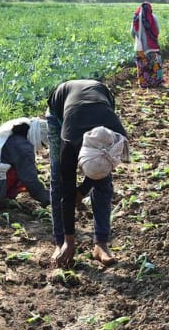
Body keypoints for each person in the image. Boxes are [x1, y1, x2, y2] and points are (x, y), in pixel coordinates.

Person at [46, 79, 129, 267]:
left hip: (100, 98)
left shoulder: (115, 137)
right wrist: (70, 240)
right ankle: (60, 242)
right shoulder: (70, 141)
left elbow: (102, 168)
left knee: (104, 182)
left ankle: (101, 244)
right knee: (58, 182)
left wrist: (82, 190)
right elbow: (67, 189)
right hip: (62, 107)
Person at [131, 2, 164, 88]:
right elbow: (157, 31)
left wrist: (138, 38)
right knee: (155, 65)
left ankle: (143, 83)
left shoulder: (135, 19)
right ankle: (156, 82)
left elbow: (132, 33)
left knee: (142, 66)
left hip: (140, 47)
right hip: (153, 46)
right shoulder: (153, 17)